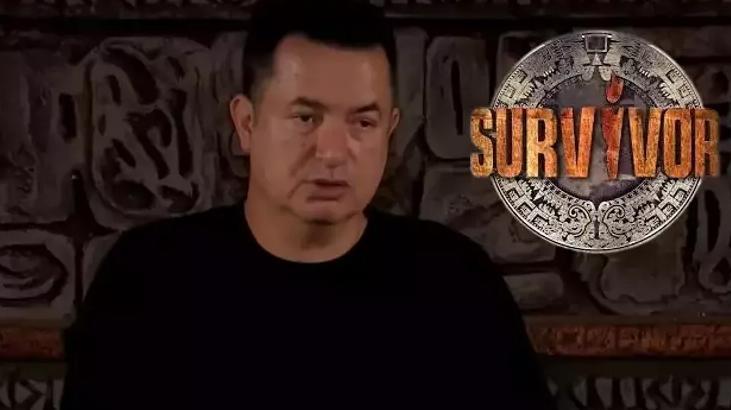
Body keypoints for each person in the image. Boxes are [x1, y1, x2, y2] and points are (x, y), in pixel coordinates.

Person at [61, 0, 556, 409]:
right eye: (305, 118)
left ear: (389, 130)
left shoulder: (456, 285)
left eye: (363, 122)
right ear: (247, 123)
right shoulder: (146, 281)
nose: (333, 152)